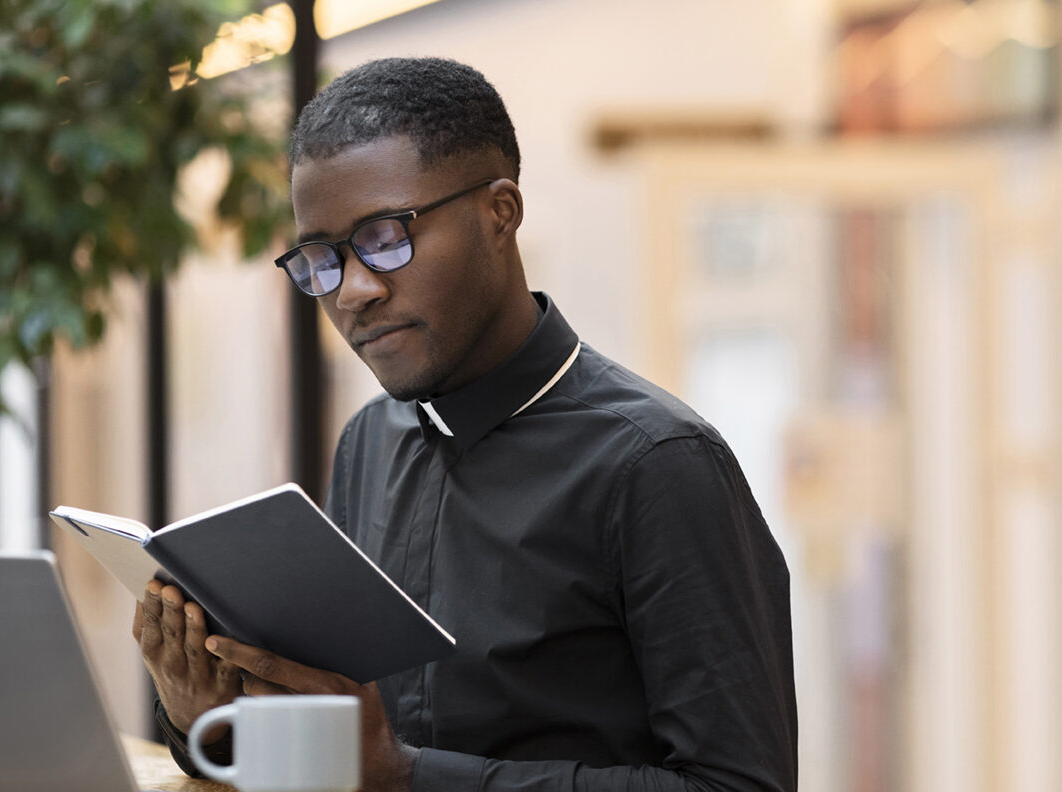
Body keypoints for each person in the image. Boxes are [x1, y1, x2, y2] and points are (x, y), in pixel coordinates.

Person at [131, 56, 798, 792]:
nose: (352, 291)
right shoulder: (370, 442)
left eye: (385, 237)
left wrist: (406, 777)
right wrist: (206, 724)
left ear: (500, 213)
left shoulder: (657, 464)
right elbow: (346, 748)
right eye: (320, 258)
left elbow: (741, 785)